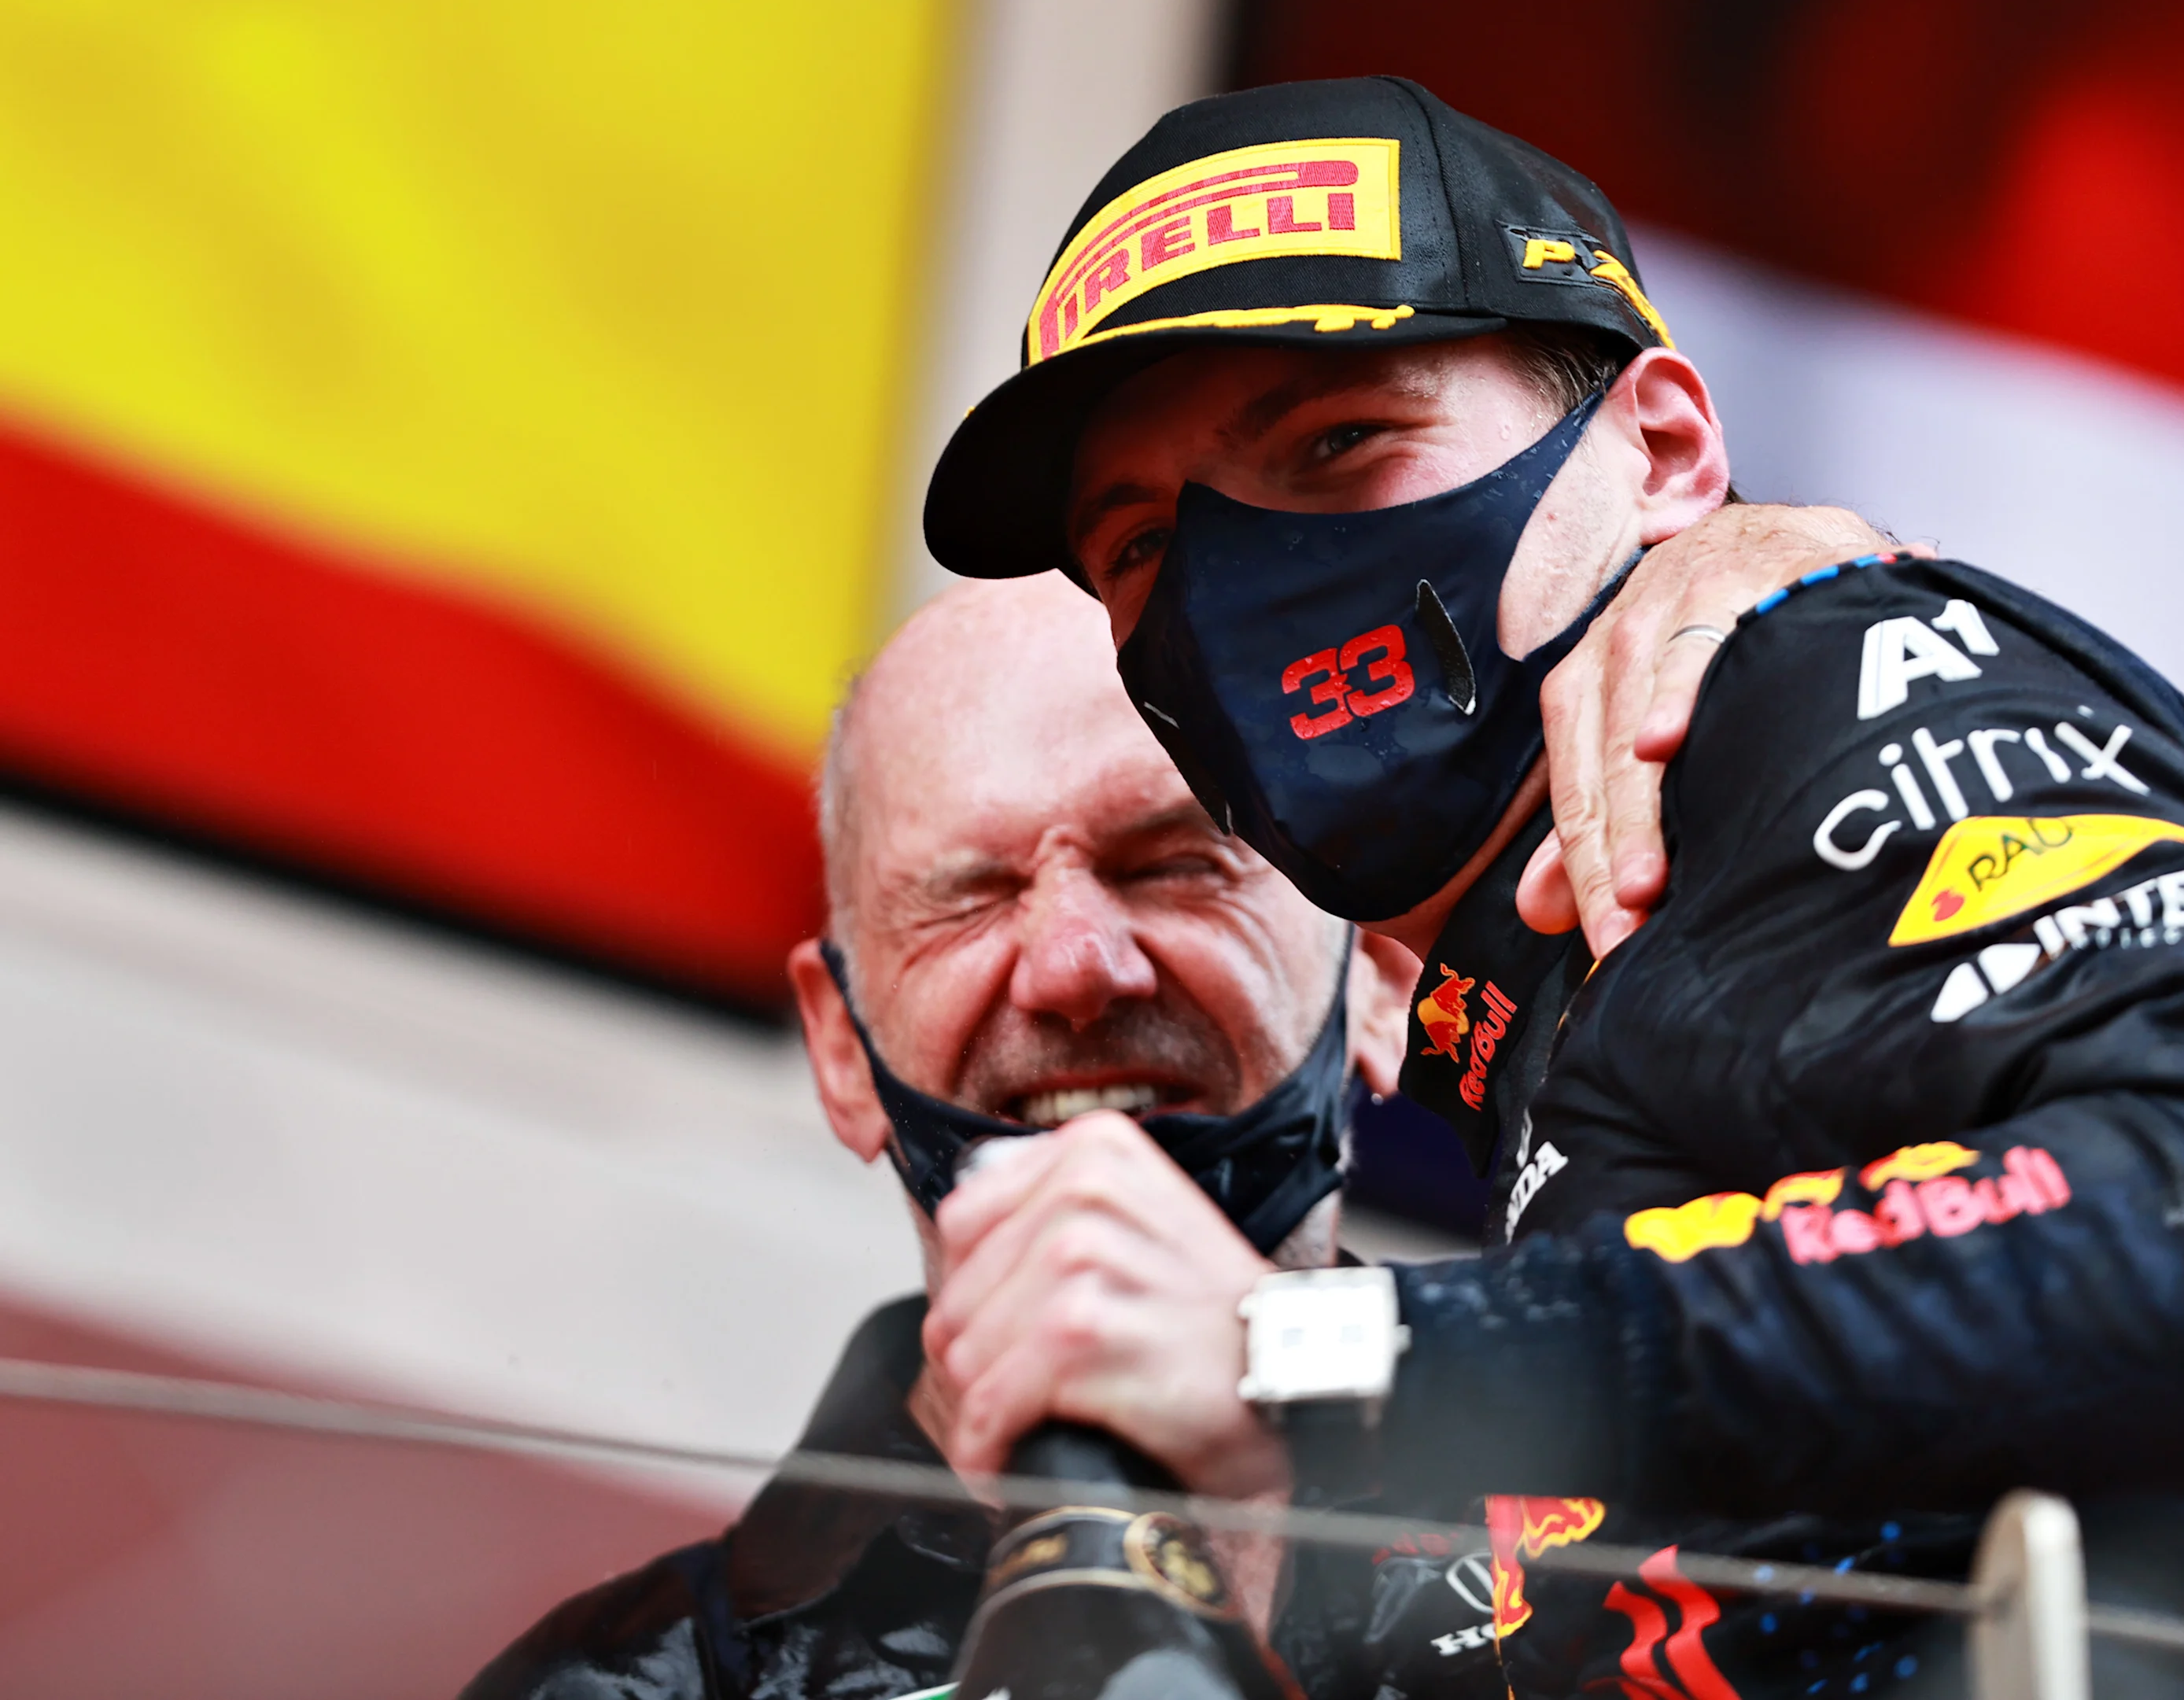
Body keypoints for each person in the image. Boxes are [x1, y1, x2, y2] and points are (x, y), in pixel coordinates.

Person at [908, 76, 2184, 1697]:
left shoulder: (1786, 695)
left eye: (1338, 441)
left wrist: (1318, 1361)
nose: (1229, 579)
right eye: (1137, 547)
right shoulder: (1569, 957)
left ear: (1665, 444)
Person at [464, 576, 1522, 1700]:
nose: (1071, 969)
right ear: (839, 1050)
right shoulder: (627, 1688)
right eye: (967, 898)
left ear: (1386, 982)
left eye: (1170, 864)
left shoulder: (1647, 1581)